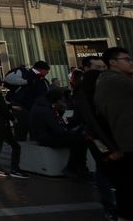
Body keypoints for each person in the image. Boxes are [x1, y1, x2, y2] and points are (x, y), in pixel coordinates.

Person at [73, 67, 119, 218]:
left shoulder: (100, 96)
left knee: (104, 169)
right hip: (100, 140)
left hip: (103, 139)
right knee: (104, 169)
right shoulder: (88, 99)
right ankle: (110, 205)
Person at [95, 47, 133, 218]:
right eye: (126, 59)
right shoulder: (114, 80)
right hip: (126, 141)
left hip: (122, 141)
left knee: (125, 185)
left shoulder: (112, 80)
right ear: (112, 62)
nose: (130, 62)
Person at [29, 89, 88, 177]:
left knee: (78, 138)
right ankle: (73, 167)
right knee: (79, 140)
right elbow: (57, 129)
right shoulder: (45, 109)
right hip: (46, 137)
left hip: (45, 134)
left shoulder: (43, 106)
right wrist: (72, 132)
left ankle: (77, 168)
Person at [0, 77, 27, 178]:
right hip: (2, 125)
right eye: (0, 84)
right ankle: (14, 169)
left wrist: (11, 106)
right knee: (16, 146)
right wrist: (13, 118)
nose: (2, 85)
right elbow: (4, 111)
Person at [9, 60, 51, 140]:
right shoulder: (29, 76)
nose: (47, 72)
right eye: (47, 70)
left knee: (30, 130)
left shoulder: (40, 78)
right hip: (24, 106)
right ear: (41, 69)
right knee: (23, 129)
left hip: (27, 106)